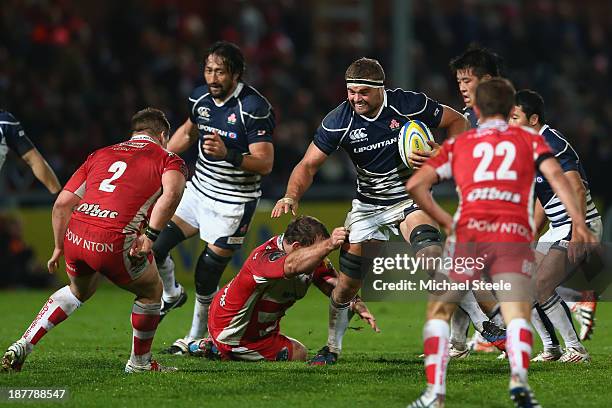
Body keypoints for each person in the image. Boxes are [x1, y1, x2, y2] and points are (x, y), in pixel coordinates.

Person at [405, 78, 597, 407]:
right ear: (509, 109)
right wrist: (579, 223)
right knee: (518, 308)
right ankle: (520, 385)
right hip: (511, 233)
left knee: (440, 309)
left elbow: (416, 186)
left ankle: (434, 393)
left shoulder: (462, 143)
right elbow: (559, 180)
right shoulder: (529, 143)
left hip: (469, 234)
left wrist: (444, 219)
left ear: (476, 110)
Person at [271, 57, 468, 365]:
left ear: (380, 90)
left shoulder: (407, 104)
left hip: (409, 199)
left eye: (363, 92)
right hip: (368, 207)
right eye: (351, 92)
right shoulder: (339, 120)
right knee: (347, 285)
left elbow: (458, 121)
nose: (355, 98)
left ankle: (466, 336)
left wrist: (443, 153)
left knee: (432, 258)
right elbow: (308, 165)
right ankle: (332, 347)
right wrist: (291, 194)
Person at [2, 108, 187, 373]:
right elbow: (172, 194)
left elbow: (62, 204)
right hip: (114, 239)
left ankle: (23, 343)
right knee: (151, 292)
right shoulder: (169, 159)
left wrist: (57, 247)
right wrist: (150, 236)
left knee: (79, 291)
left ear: (134, 134)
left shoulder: (101, 153)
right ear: (163, 135)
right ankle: (140, 364)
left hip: (76, 236)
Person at [151, 41, 275, 354]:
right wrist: (155, 158)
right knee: (154, 247)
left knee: (206, 274)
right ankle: (172, 295)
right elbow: (187, 132)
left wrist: (229, 154)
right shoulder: (199, 98)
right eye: (208, 70)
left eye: (220, 71)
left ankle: (194, 337)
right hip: (198, 192)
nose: (213, 77)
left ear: (236, 74)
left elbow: (265, 163)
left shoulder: (253, 108)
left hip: (234, 202)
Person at [195, 216, 378, 362]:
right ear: (297, 247)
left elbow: (333, 285)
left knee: (296, 349)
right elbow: (291, 266)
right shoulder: (264, 258)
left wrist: (355, 302)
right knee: (299, 353)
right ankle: (218, 348)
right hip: (231, 331)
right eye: (317, 249)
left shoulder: (310, 258)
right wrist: (329, 244)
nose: (321, 255)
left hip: (260, 330)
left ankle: (211, 347)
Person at [509, 89, 602, 362]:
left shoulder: (551, 142)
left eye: (515, 118)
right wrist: (533, 232)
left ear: (533, 119)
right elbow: (544, 197)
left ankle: (576, 349)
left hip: (579, 224)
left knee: (542, 284)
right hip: (559, 225)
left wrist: (579, 230)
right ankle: (552, 348)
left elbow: (576, 187)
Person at [446, 45, 508, 357]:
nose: (461, 88)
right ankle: (459, 342)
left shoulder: (505, 116)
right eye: (459, 82)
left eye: (467, 81)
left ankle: (496, 331)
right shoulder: (470, 116)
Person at [0, 109, 61, 194]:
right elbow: (33, 159)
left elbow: (33, 160)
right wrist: (60, 196)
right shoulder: (4, 122)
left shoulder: (5, 122)